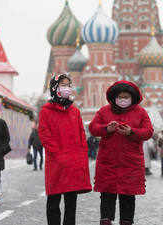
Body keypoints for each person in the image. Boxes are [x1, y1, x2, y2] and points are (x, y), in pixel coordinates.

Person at [89, 81, 154, 225]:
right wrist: (106, 129)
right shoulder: (104, 111)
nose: (123, 99)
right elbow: (93, 128)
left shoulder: (140, 112)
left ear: (132, 97)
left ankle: (126, 221)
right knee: (107, 195)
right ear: (114, 97)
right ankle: (106, 220)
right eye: (120, 97)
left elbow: (148, 131)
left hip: (130, 163)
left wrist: (132, 132)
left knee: (128, 196)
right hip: (109, 162)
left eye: (126, 97)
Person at [38, 73, 92, 225]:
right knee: (53, 201)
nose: (67, 88)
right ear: (55, 87)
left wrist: (82, 156)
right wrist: (59, 155)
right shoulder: (46, 111)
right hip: (56, 163)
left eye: (69, 85)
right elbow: (45, 135)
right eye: (63, 85)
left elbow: (82, 135)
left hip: (73, 163)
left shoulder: (74, 111)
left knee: (71, 203)